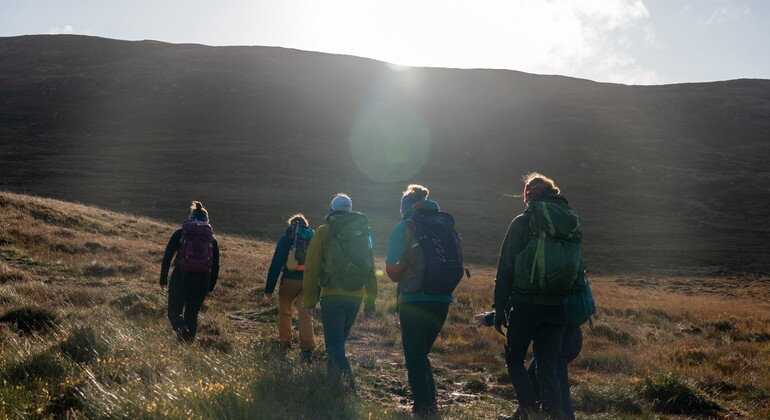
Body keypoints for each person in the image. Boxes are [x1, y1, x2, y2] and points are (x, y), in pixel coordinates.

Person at [494, 173, 585, 420]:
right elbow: (579, 271)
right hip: (558, 307)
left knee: (514, 359)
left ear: (527, 196)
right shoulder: (570, 224)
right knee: (548, 365)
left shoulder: (523, 223)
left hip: (525, 304)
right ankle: (554, 415)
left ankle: (530, 409)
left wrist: (499, 307)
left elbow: (505, 268)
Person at [386, 184, 456, 416]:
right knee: (421, 354)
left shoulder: (405, 226)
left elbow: (392, 269)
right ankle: (430, 405)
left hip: (415, 300)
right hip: (442, 299)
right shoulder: (442, 225)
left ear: (405, 207)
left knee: (414, 357)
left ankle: (423, 409)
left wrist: (403, 269)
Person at [303, 193, 377, 392]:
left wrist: (309, 300)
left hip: (332, 296)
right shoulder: (363, 233)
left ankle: (349, 390)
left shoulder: (323, 231)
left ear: (331, 210)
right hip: (356, 296)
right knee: (338, 344)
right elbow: (370, 268)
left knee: (334, 345)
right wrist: (370, 301)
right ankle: (332, 385)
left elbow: (311, 268)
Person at [160, 201, 220, 343]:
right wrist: (210, 286)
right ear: (207, 221)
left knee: (174, 311)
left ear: (190, 218)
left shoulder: (180, 233)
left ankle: (181, 330)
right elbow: (216, 265)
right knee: (192, 315)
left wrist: (163, 279)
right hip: (203, 280)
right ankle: (187, 345)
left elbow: (167, 256)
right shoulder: (212, 239)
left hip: (181, 275)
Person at [264, 213, 316, 362]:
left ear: (291, 225)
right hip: (307, 281)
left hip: (289, 280)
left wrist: (269, 289)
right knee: (305, 314)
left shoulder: (286, 238)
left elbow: (276, 264)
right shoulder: (313, 238)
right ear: (306, 224)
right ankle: (307, 350)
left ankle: (285, 343)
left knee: (285, 311)